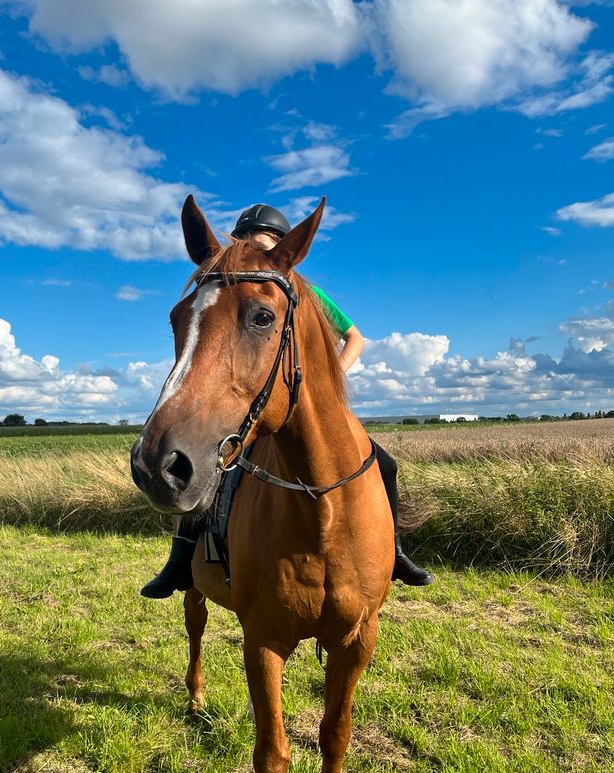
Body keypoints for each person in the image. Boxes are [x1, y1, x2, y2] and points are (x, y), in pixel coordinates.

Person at [141, 204, 434, 598]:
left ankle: (395, 551)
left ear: (281, 244)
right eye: (245, 239)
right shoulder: (235, 285)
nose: (253, 246)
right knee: (218, 469)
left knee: (385, 464)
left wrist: (328, 380)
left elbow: (357, 338)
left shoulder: (309, 294)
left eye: (263, 240)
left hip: (309, 398)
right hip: (264, 400)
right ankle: (181, 562)